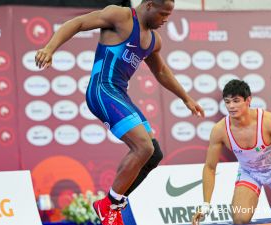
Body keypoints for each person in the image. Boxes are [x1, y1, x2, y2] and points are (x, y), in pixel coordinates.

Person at [35, 1, 205, 224]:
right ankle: (110, 206)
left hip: (119, 94)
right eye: (163, 14)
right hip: (101, 89)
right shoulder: (120, 16)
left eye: (169, 15)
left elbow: (161, 71)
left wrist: (186, 98)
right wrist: (49, 48)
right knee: (143, 146)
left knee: (153, 154)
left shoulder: (154, 40)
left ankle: (111, 204)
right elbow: (77, 23)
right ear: (150, 5)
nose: (166, 20)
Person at [192, 80, 271, 225]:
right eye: (227, 102)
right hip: (250, 173)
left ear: (248, 100)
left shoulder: (267, 121)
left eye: (236, 101)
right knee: (240, 219)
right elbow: (209, 167)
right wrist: (206, 204)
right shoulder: (220, 130)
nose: (231, 106)